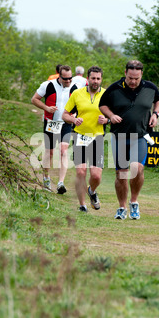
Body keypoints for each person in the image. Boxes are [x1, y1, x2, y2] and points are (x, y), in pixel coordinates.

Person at [99, 60, 159, 220]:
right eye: (130, 78)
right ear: (125, 73)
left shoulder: (150, 87)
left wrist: (156, 114)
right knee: (121, 174)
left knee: (137, 168)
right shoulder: (115, 88)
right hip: (119, 136)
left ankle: (134, 202)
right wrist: (111, 115)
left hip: (140, 136)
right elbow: (102, 105)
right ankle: (122, 207)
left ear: (141, 75)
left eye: (136, 78)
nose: (133, 82)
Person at [62, 66, 108, 212]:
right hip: (80, 136)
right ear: (87, 79)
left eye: (98, 79)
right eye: (93, 78)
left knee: (96, 176)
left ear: (101, 79)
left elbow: (114, 116)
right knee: (81, 172)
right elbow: (65, 115)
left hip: (97, 138)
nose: (95, 81)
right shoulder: (77, 93)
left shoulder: (107, 95)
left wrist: (106, 120)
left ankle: (92, 191)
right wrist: (73, 120)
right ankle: (82, 205)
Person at [31, 65, 78, 194]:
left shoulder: (75, 88)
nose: (68, 81)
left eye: (70, 78)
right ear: (59, 76)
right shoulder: (48, 85)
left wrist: (74, 115)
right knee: (50, 152)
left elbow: (78, 105)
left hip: (66, 123)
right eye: (65, 79)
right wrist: (46, 108)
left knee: (63, 151)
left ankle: (60, 183)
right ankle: (46, 178)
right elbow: (34, 99)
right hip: (51, 123)